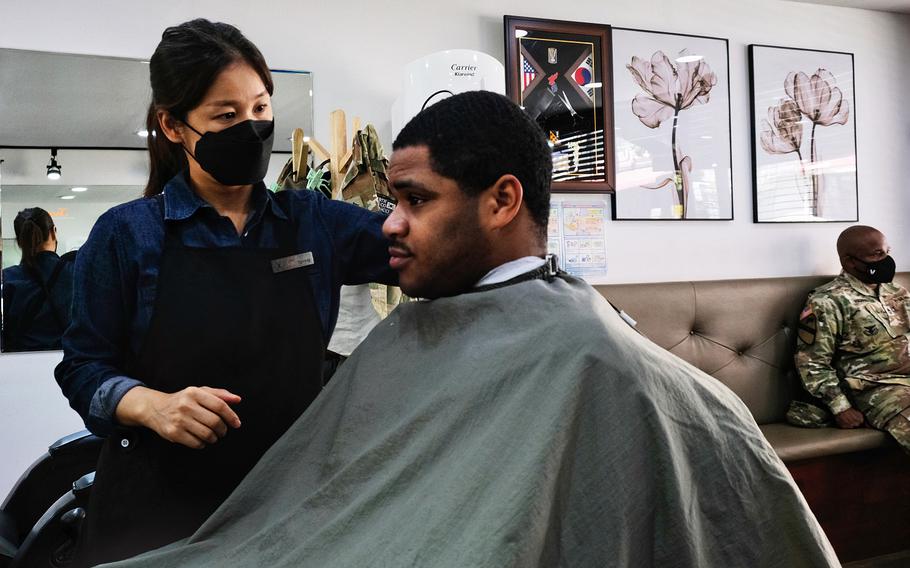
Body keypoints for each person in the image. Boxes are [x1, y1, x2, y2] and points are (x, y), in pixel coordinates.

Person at [103, 91, 837, 568]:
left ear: (501, 201)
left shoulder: (601, 362)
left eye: (415, 200)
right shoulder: (416, 332)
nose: (388, 223)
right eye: (391, 199)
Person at [53, 19, 395, 565]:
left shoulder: (314, 223)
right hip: (158, 517)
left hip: (285, 511)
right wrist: (150, 405)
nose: (252, 127)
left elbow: (423, 254)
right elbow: (81, 367)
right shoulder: (126, 234)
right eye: (226, 116)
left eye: (261, 108)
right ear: (172, 125)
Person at [794, 225, 909, 451]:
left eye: (887, 252)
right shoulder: (827, 301)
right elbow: (812, 362)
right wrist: (840, 407)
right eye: (877, 255)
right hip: (876, 389)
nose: (886, 260)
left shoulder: (897, 292)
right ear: (850, 262)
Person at [1, 207, 75, 351]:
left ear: (19, 241)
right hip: (69, 364)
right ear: (53, 232)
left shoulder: (7, 278)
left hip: (17, 366)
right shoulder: (76, 274)